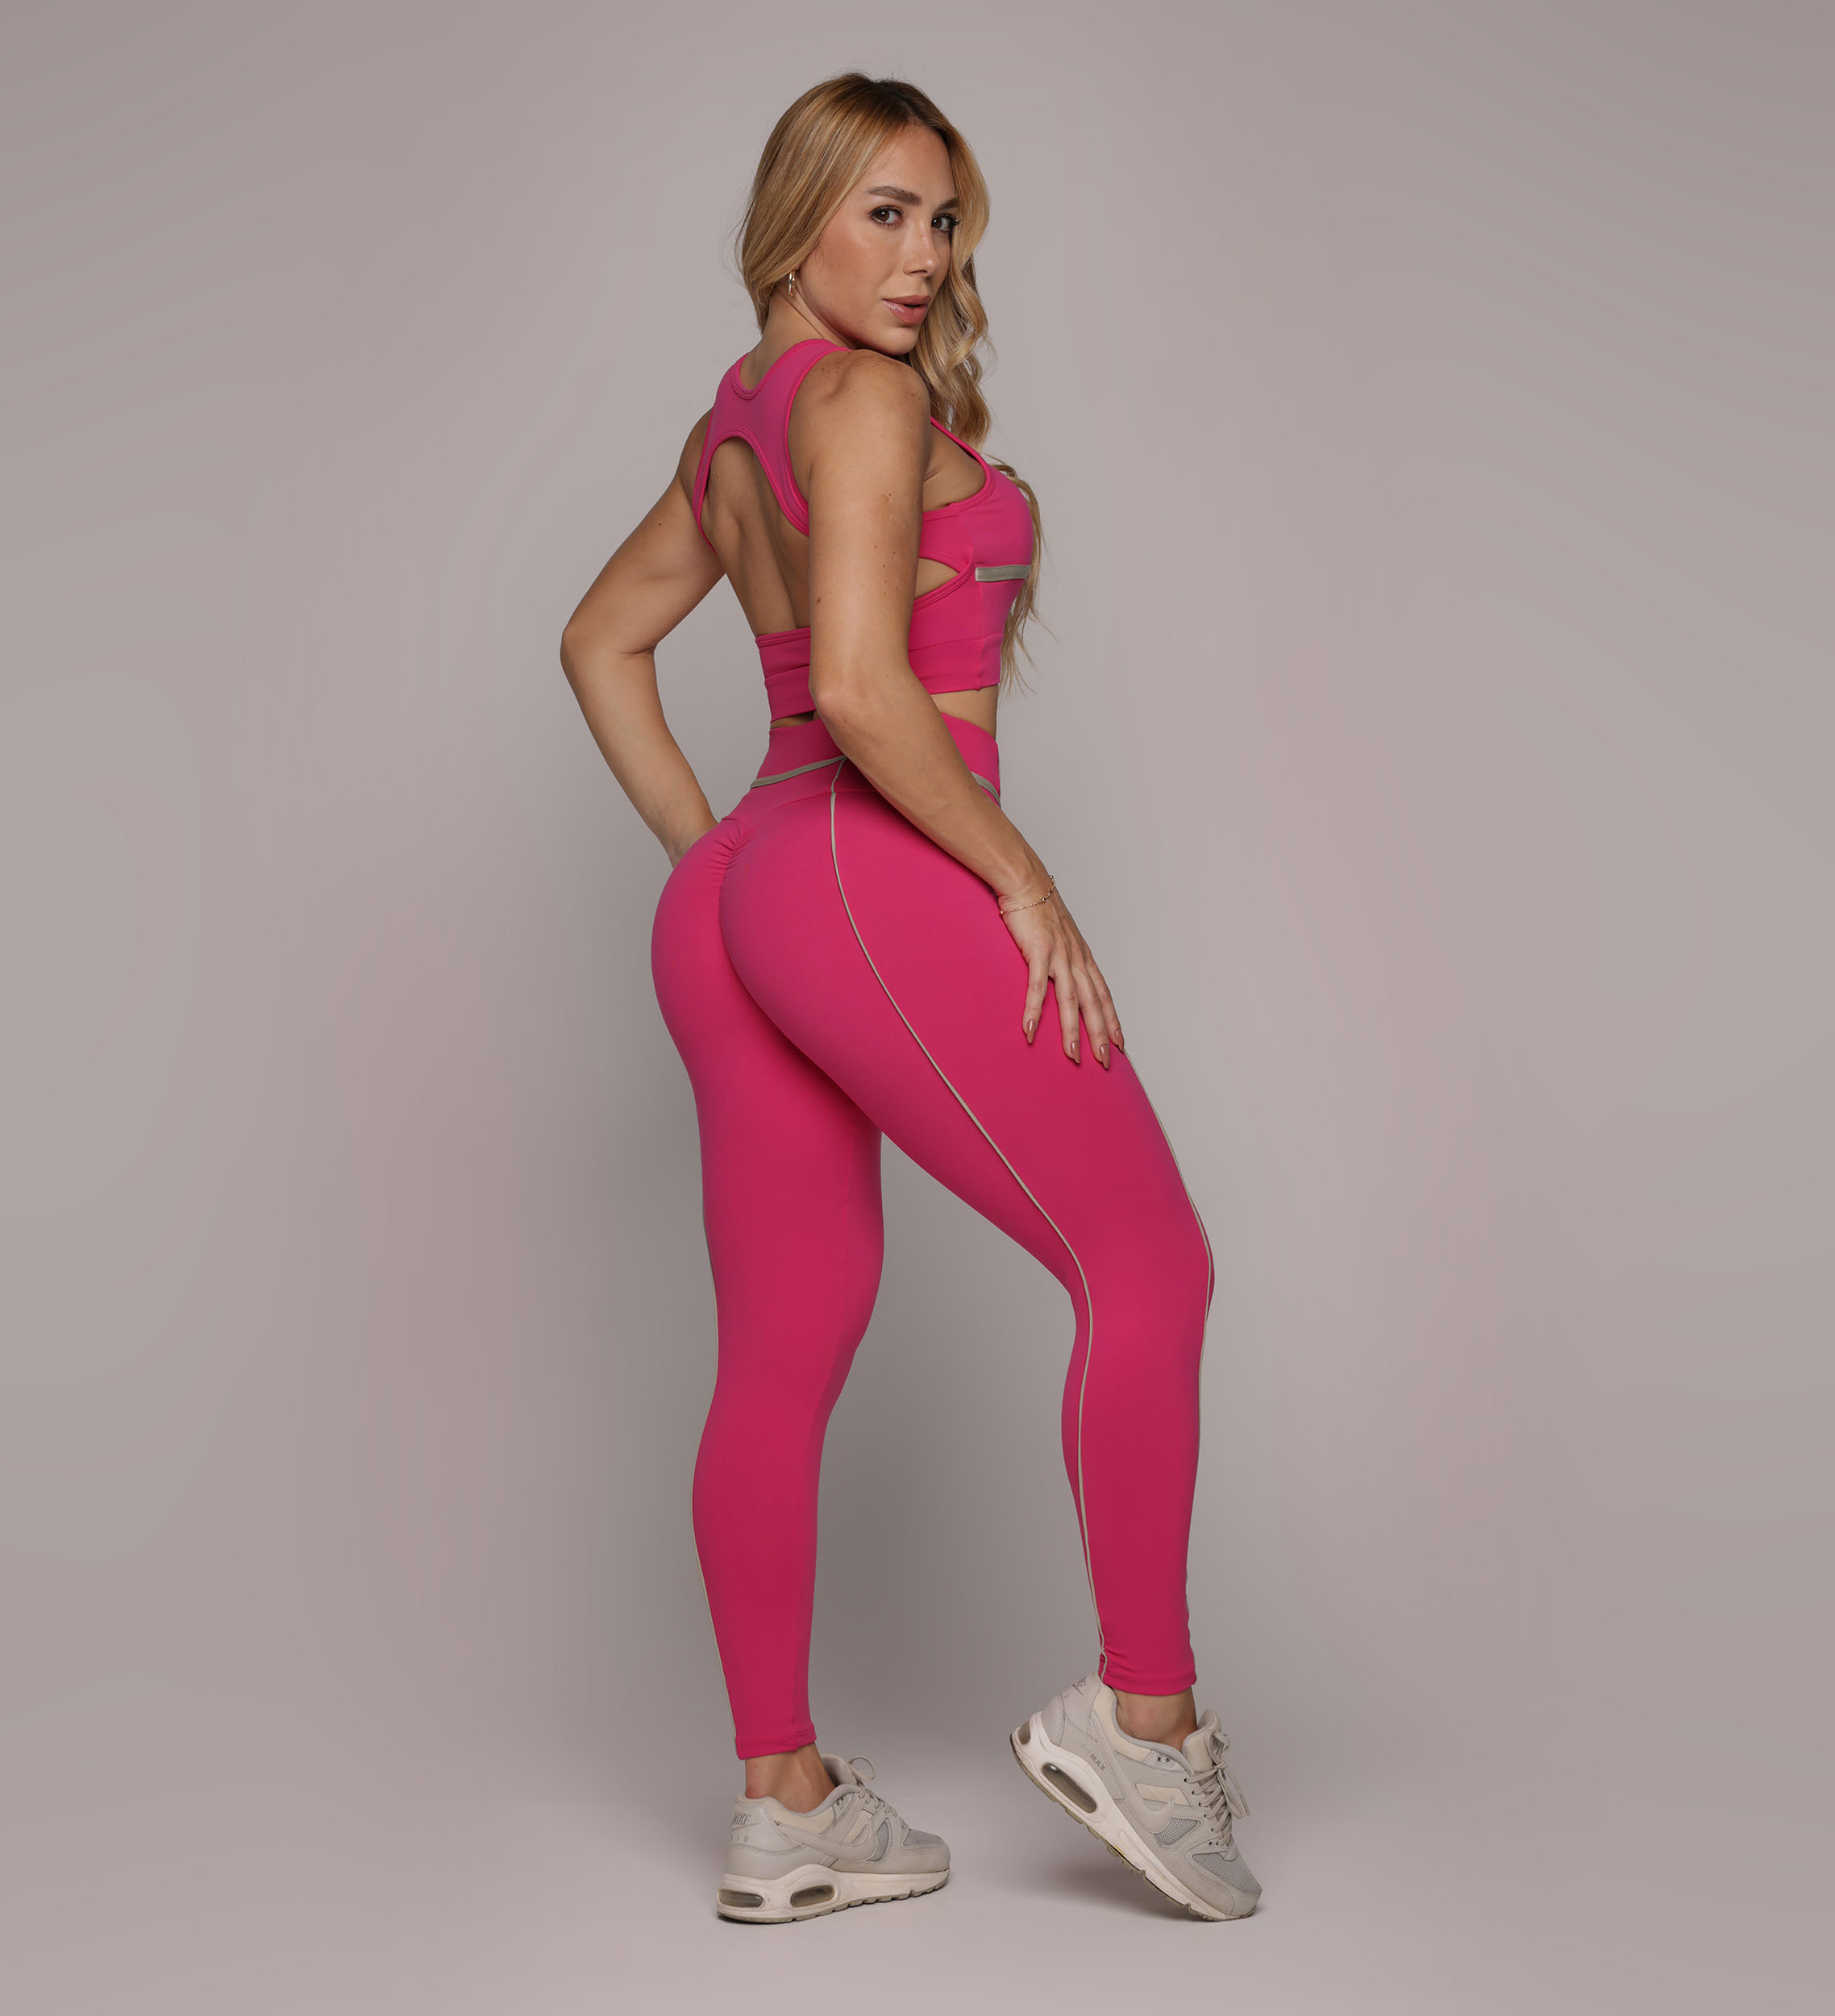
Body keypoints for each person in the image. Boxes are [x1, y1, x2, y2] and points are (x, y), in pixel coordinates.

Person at [560, 73, 1259, 1926]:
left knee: (776, 1356)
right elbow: (867, 693)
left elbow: (600, 639)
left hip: (754, 890)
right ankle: (1142, 1721)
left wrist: (714, 859)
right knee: (1148, 1265)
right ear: (794, 213)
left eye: (942, 219)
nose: (923, 253)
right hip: (863, 870)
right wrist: (1021, 878)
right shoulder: (863, 400)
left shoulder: (734, 421)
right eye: (882, 210)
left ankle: (783, 1800)